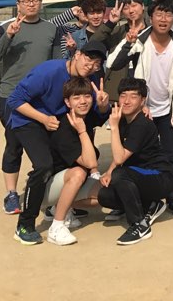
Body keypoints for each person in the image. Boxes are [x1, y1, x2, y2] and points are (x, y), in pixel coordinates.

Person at [7, 41, 110, 244]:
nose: (91, 66)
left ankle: (57, 207)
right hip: (29, 120)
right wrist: (43, 119)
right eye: (88, 59)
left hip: (58, 122)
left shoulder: (91, 80)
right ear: (77, 54)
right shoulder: (49, 71)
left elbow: (94, 117)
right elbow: (15, 100)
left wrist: (103, 107)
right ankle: (25, 224)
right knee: (44, 165)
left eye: (97, 63)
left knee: (67, 162)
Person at [107, 0, 173, 217]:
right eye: (159, 14)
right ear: (150, 16)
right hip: (140, 111)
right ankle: (129, 198)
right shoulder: (139, 40)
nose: (163, 19)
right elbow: (112, 63)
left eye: (168, 14)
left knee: (171, 156)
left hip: (168, 111)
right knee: (135, 155)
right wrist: (127, 42)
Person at [0, 0, 65, 215]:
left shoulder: (51, 29)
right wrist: (9, 36)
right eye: (26, 1)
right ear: (18, 4)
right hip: (12, 97)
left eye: (35, 0)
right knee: (14, 145)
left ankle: (47, 195)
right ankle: (11, 194)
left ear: (41, 2)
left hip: (42, 98)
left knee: (46, 148)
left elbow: (56, 64)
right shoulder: (5, 28)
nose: (31, 4)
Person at [98, 78, 173, 245]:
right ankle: (151, 205)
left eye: (133, 96)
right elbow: (122, 153)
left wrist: (113, 127)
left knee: (120, 175)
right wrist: (108, 172)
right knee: (104, 196)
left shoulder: (142, 124)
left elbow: (120, 158)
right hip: (139, 175)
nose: (127, 101)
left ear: (142, 101)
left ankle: (140, 225)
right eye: (123, 95)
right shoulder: (124, 119)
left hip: (160, 176)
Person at [42, 77, 105, 246]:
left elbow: (108, 114)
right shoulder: (63, 128)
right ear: (67, 102)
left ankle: (61, 206)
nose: (83, 101)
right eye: (76, 97)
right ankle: (57, 226)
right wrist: (82, 132)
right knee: (78, 172)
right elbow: (91, 163)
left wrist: (144, 108)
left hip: (70, 184)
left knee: (110, 194)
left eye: (87, 96)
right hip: (48, 188)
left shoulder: (85, 117)